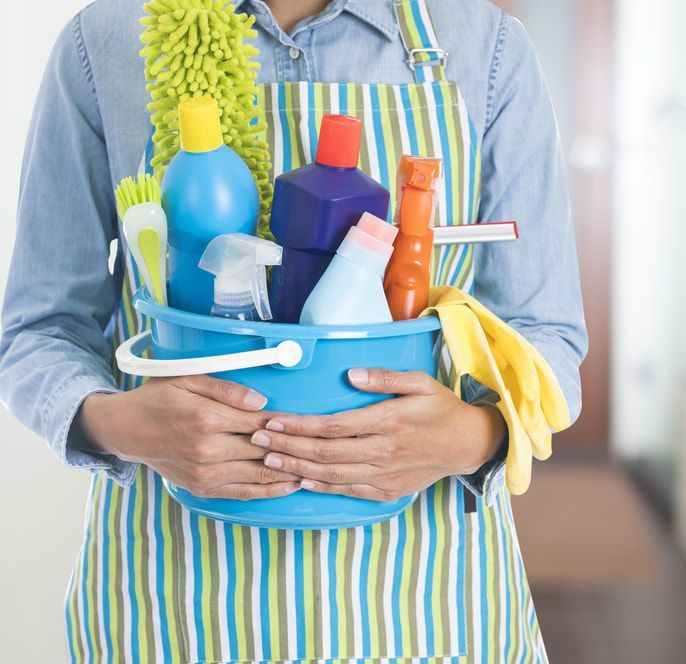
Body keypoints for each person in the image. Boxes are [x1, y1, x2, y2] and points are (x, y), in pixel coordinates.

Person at [0, 0, 587, 661]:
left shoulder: (486, 45)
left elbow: (546, 333)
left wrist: (472, 433)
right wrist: (118, 423)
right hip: (176, 601)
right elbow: (40, 326)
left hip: (423, 599)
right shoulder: (104, 39)